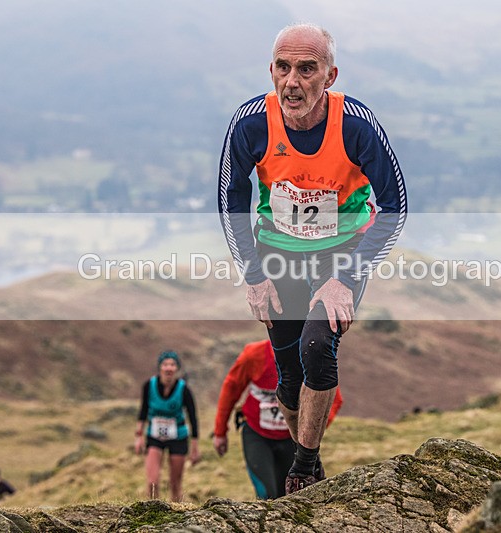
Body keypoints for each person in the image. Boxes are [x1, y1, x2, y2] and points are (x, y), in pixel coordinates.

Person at [217, 23, 406, 494]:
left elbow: (395, 206)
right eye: (283, 68)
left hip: (340, 252)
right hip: (278, 250)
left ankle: (302, 469)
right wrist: (254, 275)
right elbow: (231, 200)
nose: (292, 82)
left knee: (318, 347)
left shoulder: (356, 125)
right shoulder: (251, 123)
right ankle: (311, 461)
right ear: (271, 70)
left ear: (330, 76)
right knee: (288, 378)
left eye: (307, 69)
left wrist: (347, 278)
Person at [213, 339, 343, 499]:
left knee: (291, 497)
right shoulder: (254, 355)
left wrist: (310, 430)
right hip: (257, 435)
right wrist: (220, 432)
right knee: (266, 496)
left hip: (292, 440)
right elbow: (231, 389)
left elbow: (334, 399)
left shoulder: (310, 357)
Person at [134, 350, 201, 502]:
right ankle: (151, 511)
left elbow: (193, 418)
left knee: (175, 484)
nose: (169, 368)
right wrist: (138, 436)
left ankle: (176, 513)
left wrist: (195, 447)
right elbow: (143, 411)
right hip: (154, 436)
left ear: (177, 368)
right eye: (165, 364)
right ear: (160, 367)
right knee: (152, 482)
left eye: (172, 364)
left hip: (178, 437)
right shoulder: (149, 386)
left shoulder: (184, 389)